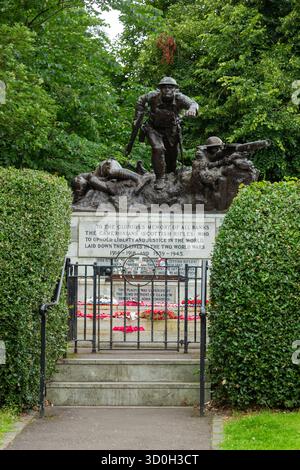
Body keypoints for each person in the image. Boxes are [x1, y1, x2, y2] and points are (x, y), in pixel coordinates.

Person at [129, 77, 199, 189]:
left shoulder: (180, 98)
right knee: (158, 148)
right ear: (160, 89)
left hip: (171, 131)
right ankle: (159, 178)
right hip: (153, 128)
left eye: (170, 87)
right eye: (164, 87)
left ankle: (170, 174)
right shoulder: (152, 96)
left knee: (172, 158)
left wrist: (192, 109)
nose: (167, 90)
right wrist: (138, 116)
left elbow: (193, 104)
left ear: (175, 89)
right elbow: (140, 100)